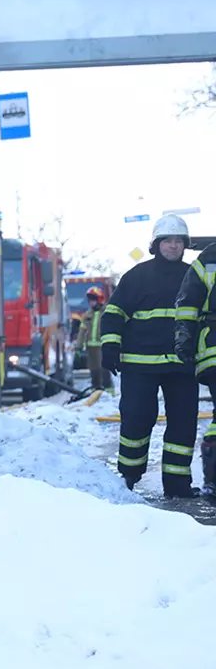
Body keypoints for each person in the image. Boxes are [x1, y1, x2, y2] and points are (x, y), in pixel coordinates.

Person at [100, 214, 199, 498]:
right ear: (156, 244)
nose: (173, 245)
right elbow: (113, 314)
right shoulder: (137, 276)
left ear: (185, 245)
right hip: (139, 366)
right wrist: (110, 347)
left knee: (183, 424)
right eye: (167, 240)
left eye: (178, 240)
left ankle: (178, 484)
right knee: (136, 420)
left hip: (182, 366)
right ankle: (129, 476)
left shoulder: (194, 276)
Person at [174, 240, 216, 501]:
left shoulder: (208, 258)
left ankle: (213, 479)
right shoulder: (209, 257)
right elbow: (188, 304)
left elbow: (187, 303)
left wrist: (185, 336)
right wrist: (184, 337)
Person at [74, 286, 113, 391]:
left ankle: (109, 391)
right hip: (91, 348)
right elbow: (82, 331)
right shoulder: (87, 315)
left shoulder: (106, 313)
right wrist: (78, 346)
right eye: (90, 300)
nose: (91, 303)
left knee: (104, 369)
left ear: (99, 300)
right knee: (94, 369)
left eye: (93, 300)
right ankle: (95, 390)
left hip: (103, 346)